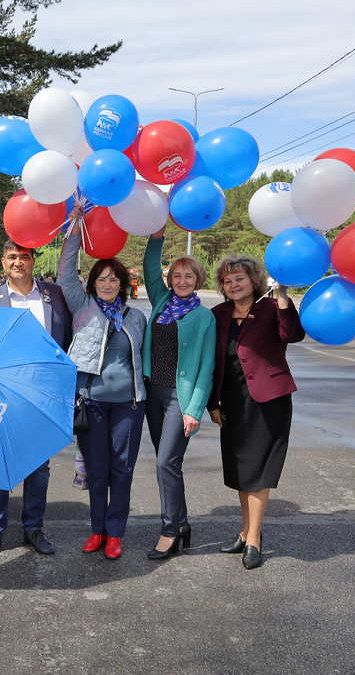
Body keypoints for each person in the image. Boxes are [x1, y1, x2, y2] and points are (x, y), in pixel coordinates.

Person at [0, 240, 72, 561]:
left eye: (24, 257)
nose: (18, 262)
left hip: (41, 395)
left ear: (33, 261)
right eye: (12, 257)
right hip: (0, 395)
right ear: (3, 262)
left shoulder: (54, 296)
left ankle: (34, 528)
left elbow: (67, 339)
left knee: (37, 466)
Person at [59, 214, 147, 560]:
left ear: (122, 283)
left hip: (129, 404)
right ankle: (96, 530)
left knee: (121, 470)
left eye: (114, 279)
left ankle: (115, 534)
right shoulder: (82, 308)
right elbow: (67, 270)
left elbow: (145, 360)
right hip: (91, 403)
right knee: (97, 471)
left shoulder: (135, 316)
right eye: (102, 279)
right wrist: (76, 227)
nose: (108, 284)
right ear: (92, 282)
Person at [208, 256, 305, 569]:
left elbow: (293, 335)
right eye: (227, 280)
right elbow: (213, 364)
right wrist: (212, 403)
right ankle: (246, 530)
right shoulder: (218, 314)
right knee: (241, 471)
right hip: (232, 403)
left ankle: (254, 539)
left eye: (239, 278)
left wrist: (283, 296)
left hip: (269, 401)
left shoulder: (271, 307)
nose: (234, 285)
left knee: (259, 471)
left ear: (254, 280)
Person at [141, 226, 215, 561]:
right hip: (152, 394)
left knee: (164, 463)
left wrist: (194, 409)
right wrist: (156, 238)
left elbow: (206, 367)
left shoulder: (203, 317)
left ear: (198, 280)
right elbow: (149, 268)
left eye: (189, 276)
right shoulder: (161, 302)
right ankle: (182, 523)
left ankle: (169, 530)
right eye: (177, 275)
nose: (182, 280)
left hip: (179, 400)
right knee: (170, 464)